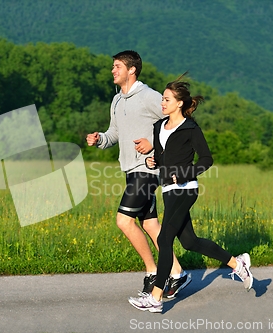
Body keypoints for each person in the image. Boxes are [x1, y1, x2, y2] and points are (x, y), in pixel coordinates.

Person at [128, 74, 253, 313]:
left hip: (186, 190)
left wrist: (187, 173)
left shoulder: (190, 128)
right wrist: (156, 161)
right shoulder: (159, 126)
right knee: (190, 241)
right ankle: (238, 263)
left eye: (166, 99)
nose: (162, 103)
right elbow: (166, 156)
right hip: (168, 189)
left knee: (164, 239)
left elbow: (207, 159)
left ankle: (156, 297)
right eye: (162, 99)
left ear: (179, 103)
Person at [86, 51, 191, 297]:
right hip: (130, 169)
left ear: (132, 70)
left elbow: (178, 123)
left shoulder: (149, 97)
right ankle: (177, 273)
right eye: (113, 66)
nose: (113, 70)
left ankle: (153, 271)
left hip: (148, 169)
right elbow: (114, 133)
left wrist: (154, 146)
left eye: (117, 66)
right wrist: (100, 139)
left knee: (124, 221)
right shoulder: (117, 100)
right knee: (150, 223)